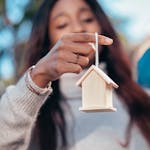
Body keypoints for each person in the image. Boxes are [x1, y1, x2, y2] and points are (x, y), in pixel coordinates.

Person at [1, 0, 150, 150]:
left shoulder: (142, 99)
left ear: (102, 28)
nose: (79, 28)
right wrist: (37, 78)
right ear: (48, 42)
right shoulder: (31, 114)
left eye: (87, 19)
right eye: (62, 24)